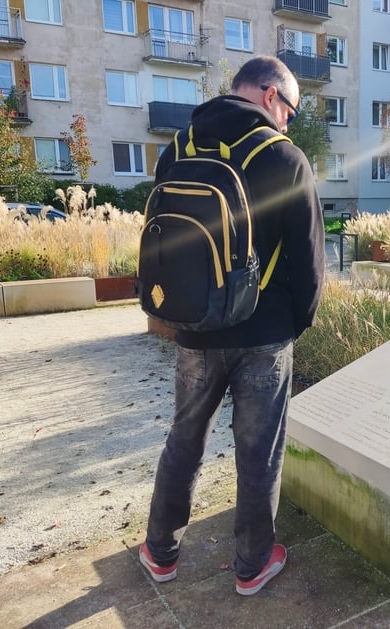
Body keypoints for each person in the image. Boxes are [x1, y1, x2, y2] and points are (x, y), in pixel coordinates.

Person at [139, 55, 325, 596]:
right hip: (264, 333)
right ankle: (252, 565)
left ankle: (160, 553)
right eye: (289, 110)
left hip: (194, 327)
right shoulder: (284, 157)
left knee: (184, 439)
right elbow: (309, 260)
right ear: (270, 95)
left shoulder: (178, 148)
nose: (288, 122)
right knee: (259, 452)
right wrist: (295, 324)